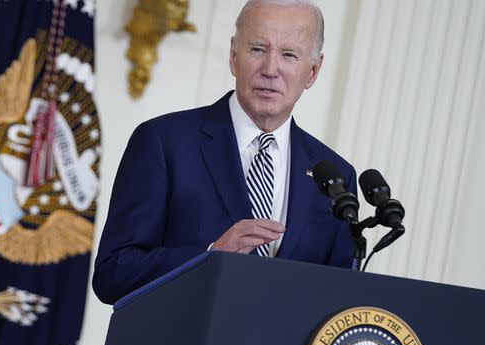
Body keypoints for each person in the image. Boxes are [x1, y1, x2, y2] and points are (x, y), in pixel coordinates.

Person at [92, 0, 357, 304]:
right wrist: (208, 257)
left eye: (289, 55)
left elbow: (338, 299)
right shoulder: (164, 142)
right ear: (234, 56)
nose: (271, 69)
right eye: (258, 49)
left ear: (312, 71)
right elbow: (113, 273)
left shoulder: (335, 176)